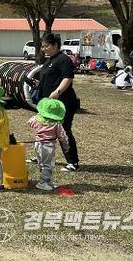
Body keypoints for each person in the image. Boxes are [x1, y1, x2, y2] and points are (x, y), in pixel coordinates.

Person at [36, 32, 81, 171]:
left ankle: (73, 162)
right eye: (42, 46)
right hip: (49, 105)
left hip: (63, 103)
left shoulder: (63, 59)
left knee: (64, 130)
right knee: (45, 129)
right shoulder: (49, 60)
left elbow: (68, 78)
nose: (43, 49)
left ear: (55, 45)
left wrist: (57, 92)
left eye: (46, 46)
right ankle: (42, 156)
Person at [27, 98, 69, 191]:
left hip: (38, 144)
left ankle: (48, 181)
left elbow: (29, 122)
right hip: (48, 146)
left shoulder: (37, 120)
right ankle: (42, 182)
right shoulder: (56, 124)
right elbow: (63, 137)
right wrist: (66, 146)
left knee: (42, 164)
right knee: (48, 165)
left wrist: (38, 115)